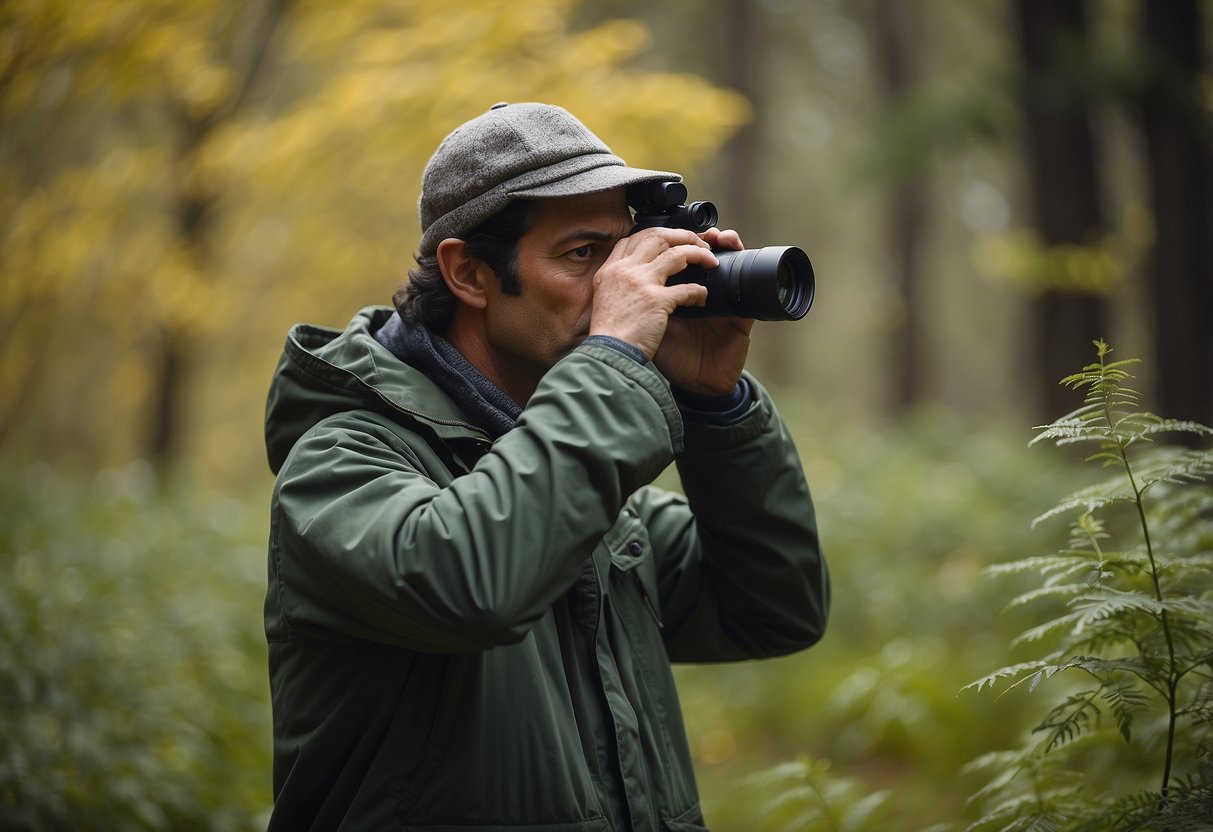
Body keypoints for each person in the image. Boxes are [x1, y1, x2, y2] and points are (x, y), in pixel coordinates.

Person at [263, 101, 829, 831]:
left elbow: (771, 609)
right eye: (583, 254)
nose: (622, 286)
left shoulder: (576, 477)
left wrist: (713, 406)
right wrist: (615, 358)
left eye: (626, 252)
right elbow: (472, 581)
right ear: (468, 272)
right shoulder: (338, 461)